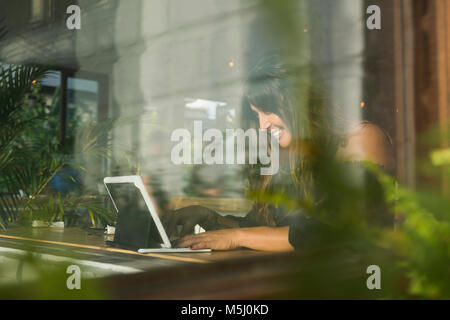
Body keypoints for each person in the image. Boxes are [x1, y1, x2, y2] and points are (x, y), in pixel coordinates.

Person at [163, 56, 394, 252]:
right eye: (256, 114)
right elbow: (263, 227)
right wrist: (207, 217)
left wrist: (236, 238)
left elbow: (328, 230)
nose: (262, 125)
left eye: (267, 111)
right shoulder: (291, 153)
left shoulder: (362, 139)